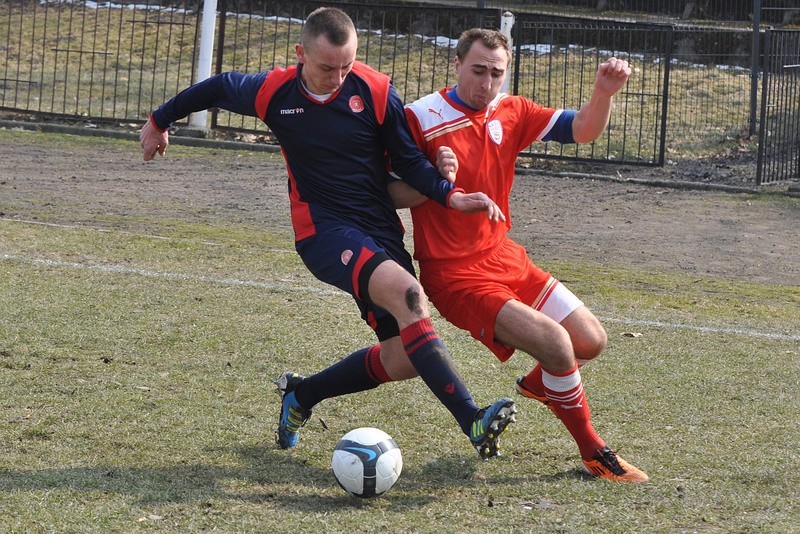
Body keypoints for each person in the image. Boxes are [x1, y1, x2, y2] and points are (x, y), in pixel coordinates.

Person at [139, 8, 517, 460]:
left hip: (378, 230)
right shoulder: (274, 92)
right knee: (410, 294)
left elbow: (409, 161)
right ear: (300, 54)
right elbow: (217, 87)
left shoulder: (376, 90)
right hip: (323, 232)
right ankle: (472, 420)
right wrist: (159, 121)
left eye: (347, 66)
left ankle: (302, 395)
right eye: (326, 67)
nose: (338, 77)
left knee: (403, 357)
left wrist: (447, 193)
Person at [388, 28, 648, 482]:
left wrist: (603, 93)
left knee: (591, 341)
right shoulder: (419, 116)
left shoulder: (513, 111)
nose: (487, 82)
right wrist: (431, 177)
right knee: (555, 344)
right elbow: (388, 193)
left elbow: (584, 130)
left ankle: (540, 385)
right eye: (478, 70)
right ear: (456, 64)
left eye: (497, 73)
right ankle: (593, 451)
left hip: (504, 255)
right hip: (454, 274)